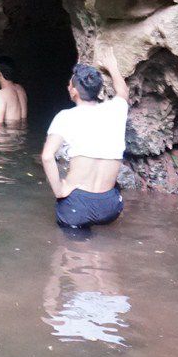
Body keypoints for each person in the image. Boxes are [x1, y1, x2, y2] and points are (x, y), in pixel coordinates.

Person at [39, 49, 129, 230]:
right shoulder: (117, 109)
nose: (68, 87)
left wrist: (59, 190)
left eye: (69, 85)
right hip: (110, 205)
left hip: (77, 207)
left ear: (74, 92)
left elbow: (47, 156)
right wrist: (112, 67)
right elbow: (123, 91)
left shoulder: (65, 117)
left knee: (72, 244)